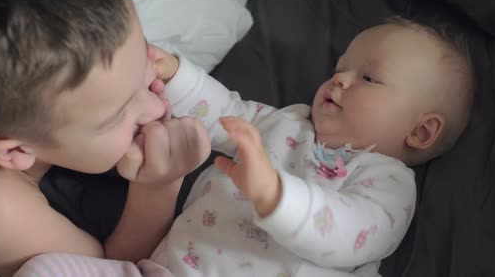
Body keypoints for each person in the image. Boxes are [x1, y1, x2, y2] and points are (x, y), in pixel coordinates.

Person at [147, 15, 474, 276]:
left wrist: (275, 195)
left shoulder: (389, 185)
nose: (339, 79)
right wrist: (177, 78)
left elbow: (347, 233)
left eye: (369, 78)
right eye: (339, 68)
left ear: (421, 131)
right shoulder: (289, 123)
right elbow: (227, 113)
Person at [0, 0, 210, 276]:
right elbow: (106, 267)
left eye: (142, 66)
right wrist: (158, 186)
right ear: (17, 150)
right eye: (117, 115)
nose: (157, 105)